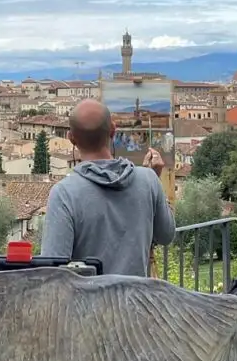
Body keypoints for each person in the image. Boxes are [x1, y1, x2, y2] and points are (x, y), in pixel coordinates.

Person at [41, 99, 176, 275]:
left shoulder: (64, 194)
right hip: (136, 300)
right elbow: (166, 235)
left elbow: (52, 268)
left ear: (71, 138)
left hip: (89, 301)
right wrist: (156, 184)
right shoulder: (148, 180)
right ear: (113, 130)